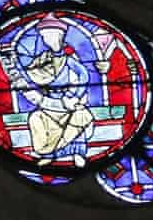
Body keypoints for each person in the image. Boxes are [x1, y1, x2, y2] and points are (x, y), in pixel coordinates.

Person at [7, 18, 99, 160]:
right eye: (44, 36)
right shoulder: (42, 58)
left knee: (81, 116)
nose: (47, 39)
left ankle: (77, 152)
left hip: (68, 102)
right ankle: (49, 153)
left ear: (60, 36)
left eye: (50, 35)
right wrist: (12, 62)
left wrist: (74, 96)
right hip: (48, 104)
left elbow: (84, 76)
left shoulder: (69, 59)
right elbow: (29, 74)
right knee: (35, 118)